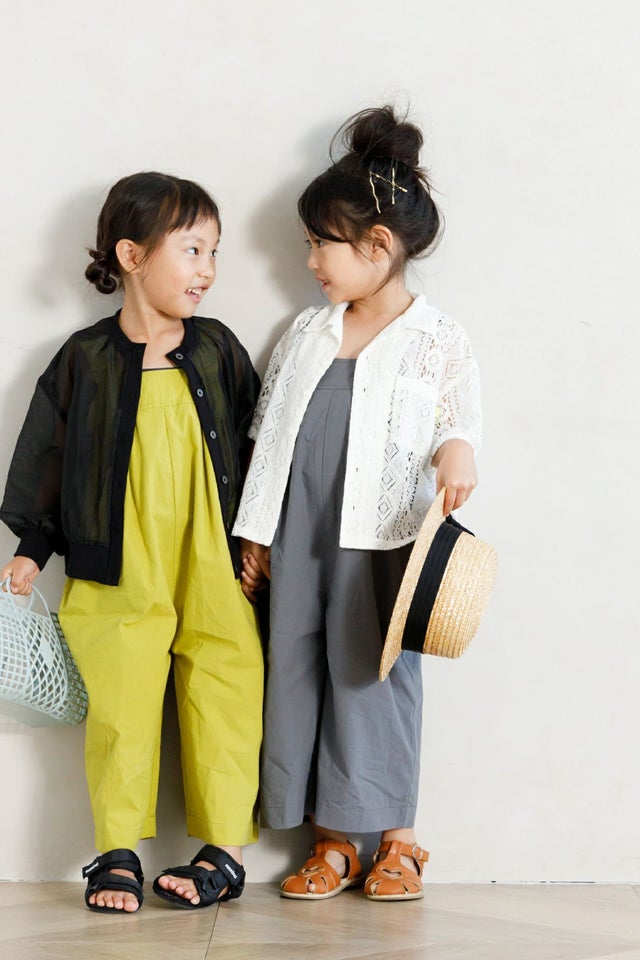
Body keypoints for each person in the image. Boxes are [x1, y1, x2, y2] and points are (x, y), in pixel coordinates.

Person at [234, 107, 482, 902]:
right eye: (308, 243)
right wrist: (256, 531)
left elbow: (457, 421)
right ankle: (332, 841)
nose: (310, 259)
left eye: (322, 243)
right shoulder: (308, 331)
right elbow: (269, 435)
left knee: (374, 676)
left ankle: (398, 841)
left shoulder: (436, 338)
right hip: (300, 534)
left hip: (380, 540)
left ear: (378, 245)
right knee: (297, 668)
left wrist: (457, 449)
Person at [0, 172, 263, 913]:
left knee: (227, 681)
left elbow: (263, 445)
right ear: (132, 255)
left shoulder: (218, 348)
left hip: (214, 553)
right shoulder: (84, 358)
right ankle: (117, 848)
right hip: (115, 557)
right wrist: (32, 546)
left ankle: (226, 850)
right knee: (122, 694)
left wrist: (261, 539)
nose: (208, 268)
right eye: (192, 249)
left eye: (215, 251)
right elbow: (50, 458)